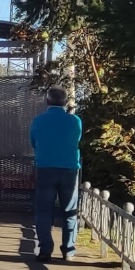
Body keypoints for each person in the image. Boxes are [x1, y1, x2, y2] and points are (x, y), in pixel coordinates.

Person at [29, 86, 83, 261]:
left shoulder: (38, 121)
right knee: (69, 210)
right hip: (69, 169)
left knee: (44, 210)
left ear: (47, 101)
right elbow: (77, 139)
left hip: (45, 168)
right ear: (66, 102)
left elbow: (33, 142)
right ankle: (69, 250)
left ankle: (45, 249)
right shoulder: (75, 121)